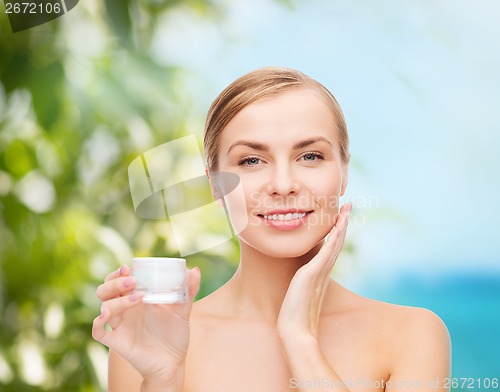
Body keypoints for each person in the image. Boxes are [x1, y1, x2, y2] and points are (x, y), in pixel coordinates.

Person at [92, 67, 451, 392]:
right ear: (216, 186)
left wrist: (299, 339)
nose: (283, 185)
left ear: (344, 172)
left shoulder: (412, 335)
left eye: (310, 156)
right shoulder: (149, 342)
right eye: (252, 160)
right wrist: (163, 379)